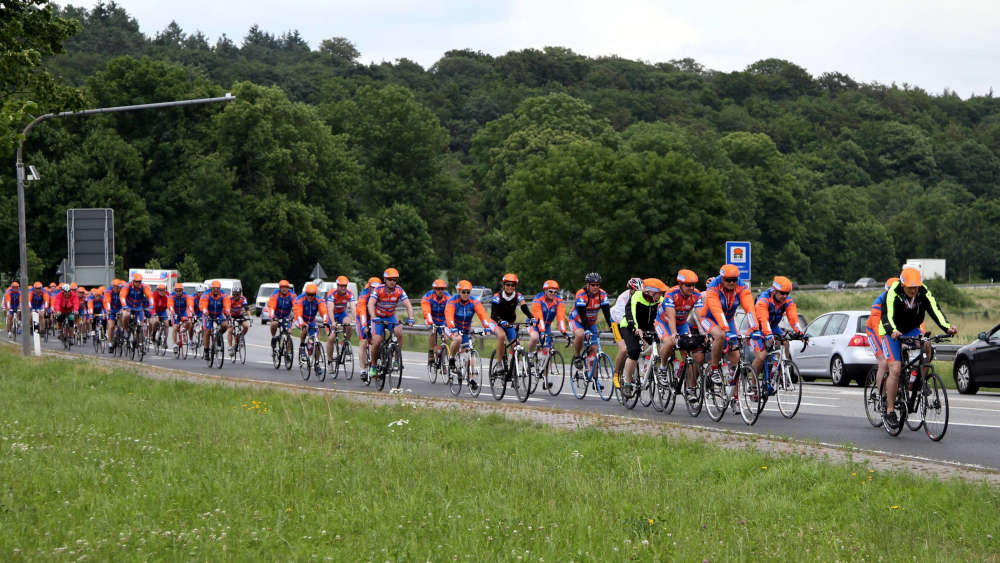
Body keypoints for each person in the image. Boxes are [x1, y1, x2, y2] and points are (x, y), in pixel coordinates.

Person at [878, 267, 957, 428]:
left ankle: (919, 382)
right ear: (903, 284)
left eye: (916, 287)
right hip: (890, 332)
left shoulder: (923, 291)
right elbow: (887, 315)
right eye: (910, 287)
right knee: (895, 369)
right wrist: (892, 331)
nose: (914, 290)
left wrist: (947, 327)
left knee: (927, 344)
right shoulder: (893, 292)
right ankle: (889, 409)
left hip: (911, 329)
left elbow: (935, 309)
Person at [698, 264, 758, 386]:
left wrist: (754, 328)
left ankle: (734, 394)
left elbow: (749, 308)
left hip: (728, 319)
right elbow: (716, 310)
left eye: (734, 280)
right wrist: (726, 330)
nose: (731, 283)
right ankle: (714, 368)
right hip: (709, 318)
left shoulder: (741, 286)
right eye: (728, 280)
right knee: (720, 335)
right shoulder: (713, 286)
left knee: (736, 359)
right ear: (721, 278)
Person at [654, 270, 705, 399]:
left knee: (688, 355)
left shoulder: (696, 295)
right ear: (680, 284)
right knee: (670, 342)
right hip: (664, 322)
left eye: (693, 285)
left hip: (682, 324)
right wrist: (674, 334)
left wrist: (705, 333)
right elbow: (671, 317)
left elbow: (700, 317)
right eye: (688, 285)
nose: (691, 288)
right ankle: (663, 368)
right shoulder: (671, 294)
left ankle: (690, 388)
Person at [751, 276, 805, 384]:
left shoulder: (787, 300)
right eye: (782, 293)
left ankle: (780, 370)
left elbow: (793, 318)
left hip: (773, 327)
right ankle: (753, 385)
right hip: (758, 328)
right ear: (775, 291)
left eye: (787, 293)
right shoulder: (764, 299)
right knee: (761, 357)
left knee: (785, 342)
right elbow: (763, 319)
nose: (785, 296)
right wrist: (768, 334)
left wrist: (800, 333)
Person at [444, 280, 497, 390]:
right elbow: (449, 315)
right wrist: (453, 328)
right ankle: (452, 358)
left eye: (468, 292)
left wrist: (487, 327)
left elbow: (482, 314)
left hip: (465, 329)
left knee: (468, 352)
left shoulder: (474, 301)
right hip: (451, 327)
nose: (466, 294)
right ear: (459, 292)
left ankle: (471, 378)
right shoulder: (452, 301)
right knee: (457, 339)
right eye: (463, 292)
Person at [619, 278, 668, 394]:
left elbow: (666, 316)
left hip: (648, 326)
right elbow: (631, 314)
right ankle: (627, 382)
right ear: (650, 292)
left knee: (661, 345)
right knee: (634, 352)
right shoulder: (636, 296)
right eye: (660, 293)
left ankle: (649, 367)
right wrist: (636, 328)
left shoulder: (660, 300)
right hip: (630, 325)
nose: (661, 295)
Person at [366, 268, 414, 381]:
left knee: (399, 331)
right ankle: (373, 366)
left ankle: (396, 360)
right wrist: (373, 316)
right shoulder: (378, 289)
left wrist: (411, 318)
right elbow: (370, 304)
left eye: (395, 279)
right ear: (385, 279)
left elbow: (408, 305)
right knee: (376, 342)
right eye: (390, 279)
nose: (392, 282)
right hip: (378, 317)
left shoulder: (399, 290)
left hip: (390, 316)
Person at [525, 280, 567, 389]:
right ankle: (530, 356)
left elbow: (561, 317)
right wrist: (542, 331)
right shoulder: (538, 299)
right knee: (535, 337)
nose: (553, 294)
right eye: (550, 291)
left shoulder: (558, 301)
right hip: (534, 323)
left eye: (555, 292)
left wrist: (564, 331)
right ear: (545, 291)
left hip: (547, 325)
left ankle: (545, 380)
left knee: (547, 352)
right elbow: (538, 316)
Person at [569, 272, 613, 369]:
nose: (595, 287)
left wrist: (612, 326)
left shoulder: (602, 294)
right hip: (577, 320)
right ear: (587, 285)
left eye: (597, 285)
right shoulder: (581, 294)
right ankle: (577, 356)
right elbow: (582, 314)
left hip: (591, 322)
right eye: (593, 285)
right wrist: (587, 330)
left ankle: (593, 377)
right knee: (580, 334)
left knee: (594, 349)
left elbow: (607, 313)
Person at [490, 273, 532, 370]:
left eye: (512, 285)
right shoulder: (497, 296)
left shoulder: (518, 295)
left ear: (515, 286)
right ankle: (499, 363)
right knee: (501, 336)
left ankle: (512, 366)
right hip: (496, 322)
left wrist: (531, 317)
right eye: (508, 285)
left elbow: (524, 307)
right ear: (504, 285)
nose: (510, 287)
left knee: (516, 345)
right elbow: (494, 313)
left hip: (509, 323)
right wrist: (500, 321)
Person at [866, 277, 900, 391]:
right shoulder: (879, 302)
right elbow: (876, 326)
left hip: (891, 331)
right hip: (874, 331)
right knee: (884, 361)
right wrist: (885, 344)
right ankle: (882, 394)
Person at [610, 278, 643, 389]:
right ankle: (616, 374)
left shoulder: (642, 297)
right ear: (630, 290)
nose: (638, 294)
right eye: (636, 291)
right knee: (624, 349)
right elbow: (622, 319)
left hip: (632, 323)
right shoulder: (623, 298)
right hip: (617, 322)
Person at [294, 283, 328, 371]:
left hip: (311, 321)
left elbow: (324, 311)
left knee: (317, 342)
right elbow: (298, 313)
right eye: (308, 294)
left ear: (315, 294)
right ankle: (302, 347)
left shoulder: (319, 300)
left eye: (312, 295)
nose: (310, 297)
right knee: (305, 329)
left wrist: (325, 321)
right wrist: (302, 323)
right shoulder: (300, 299)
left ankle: (317, 364)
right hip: (300, 319)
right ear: (305, 293)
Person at [325, 275, 357, 364]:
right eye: (341, 286)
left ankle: (346, 343)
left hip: (342, 314)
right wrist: (333, 322)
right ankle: (329, 360)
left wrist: (357, 319)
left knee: (348, 323)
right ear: (337, 285)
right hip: (332, 315)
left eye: (345, 286)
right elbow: (330, 309)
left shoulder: (349, 293)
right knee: (331, 338)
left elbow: (353, 308)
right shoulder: (332, 293)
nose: (343, 288)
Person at [420, 279, 451, 367]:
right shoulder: (428, 296)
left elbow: (451, 310)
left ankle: (443, 359)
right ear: (434, 289)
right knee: (433, 332)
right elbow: (426, 311)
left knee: (446, 338)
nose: (440, 291)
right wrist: (431, 322)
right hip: (431, 317)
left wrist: (449, 322)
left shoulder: (448, 297)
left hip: (443, 319)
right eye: (438, 289)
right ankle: (431, 351)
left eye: (442, 289)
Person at [356, 277, 381, 375]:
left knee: (377, 340)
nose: (375, 290)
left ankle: (376, 361)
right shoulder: (364, 295)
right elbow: (362, 311)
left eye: (377, 288)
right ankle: (363, 369)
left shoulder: (381, 294)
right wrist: (364, 326)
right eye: (373, 287)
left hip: (373, 317)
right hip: (362, 317)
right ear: (369, 287)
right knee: (363, 342)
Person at [200, 280, 231, 357]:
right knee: (207, 332)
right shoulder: (206, 294)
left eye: (218, 288)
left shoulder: (223, 294)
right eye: (214, 288)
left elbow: (227, 305)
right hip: (208, 314)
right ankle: (206, 350)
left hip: (219, 313)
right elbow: (203, 306)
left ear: (220, 289)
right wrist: (206, 313)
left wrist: (227, 313)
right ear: (211, 288)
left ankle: (218, 335)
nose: (216, 290)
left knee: (225, 325)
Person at [267, 280, 297, 350]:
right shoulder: (275, 294)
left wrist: (295, 315)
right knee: (274, 323)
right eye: (282, 287)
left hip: (286, 315)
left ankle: (289, 353)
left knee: (288, 333)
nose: (284, 289)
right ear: (280, 288)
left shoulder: (292, 295)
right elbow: (271, 306)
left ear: (288, 288)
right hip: (276, 314)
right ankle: (273, 337)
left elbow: (296, 306)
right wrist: (272, 316)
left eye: (286, 287)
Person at [168, 284, 193, 348]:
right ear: (175, 291)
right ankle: (174, 344)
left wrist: (191, 311)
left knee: (189, 323)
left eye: (180, 291)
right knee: (175, 328)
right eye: (177, 291)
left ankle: (188, 337)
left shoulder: (186, 295)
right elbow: (170, 305)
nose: (178, 292)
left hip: (183, 312)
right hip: (175, 313)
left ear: (182, 290)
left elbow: (189, 304)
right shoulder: (172, 296)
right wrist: (172, 312)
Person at [227, 287, 250, 353]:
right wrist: (228, 316)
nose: (235, 296)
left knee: (246, 326)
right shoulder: (229, 299)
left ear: (240, 294)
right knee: (230, 330)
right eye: (234, 294)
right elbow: (227, 309)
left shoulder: (243, 299)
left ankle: (241, 337)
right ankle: (230, 347)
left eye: (237, 294)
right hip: (231, 316)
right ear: (232, 294)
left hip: (240, 315)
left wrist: (250, 316)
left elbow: (246, 308)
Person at [103, 280, 124, 350]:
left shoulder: (122, 291)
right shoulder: (108, 291)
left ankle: (120, 333)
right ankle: (109, 343)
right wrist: (108, 309)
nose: (117, 289)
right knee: (111, 326)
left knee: (122, 323)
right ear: (113, 287)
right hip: (111, 309)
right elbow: (107, 301)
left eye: (118, 287)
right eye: (115, 287)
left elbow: (124, 300)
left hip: (119, 309)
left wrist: (124, 308)